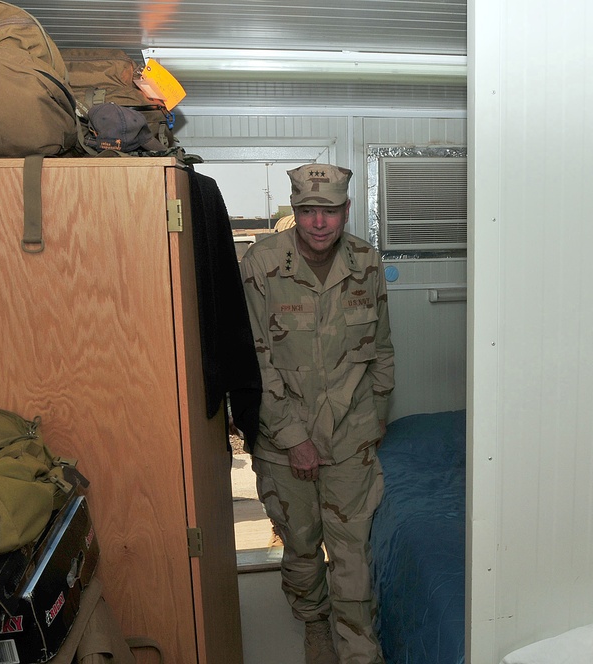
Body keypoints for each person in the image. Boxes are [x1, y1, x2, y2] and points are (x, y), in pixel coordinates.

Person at [239, 163, 395, 664]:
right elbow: (254, 362)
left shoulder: (367, 264)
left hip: (351, 437)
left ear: (346, 210)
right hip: (284, 441)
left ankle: (358, 650)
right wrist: (292, 438)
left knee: (351, 552)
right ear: (296, 211)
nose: (319, 222)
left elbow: (382, 352)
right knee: (303, 549)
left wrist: (376, 419)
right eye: (309, 211)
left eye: (330, 211)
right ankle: (314, 625)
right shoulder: (261, 265)